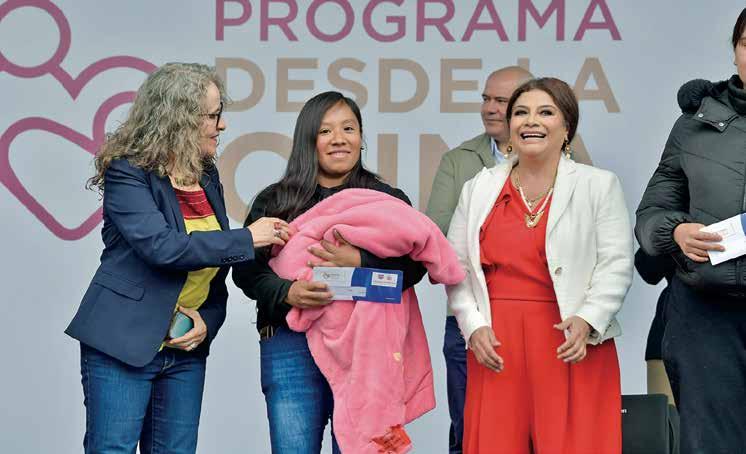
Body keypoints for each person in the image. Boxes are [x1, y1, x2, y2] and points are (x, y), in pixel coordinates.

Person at [65, 63, 291, 454]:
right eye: (213, 115)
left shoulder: (206, 175)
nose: (222, 125)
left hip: (185, 350)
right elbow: (163, 248)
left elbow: (213, 271)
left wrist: (209, 320)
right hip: (124, 343)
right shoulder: (128, 173)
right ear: (179, 119)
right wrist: (247, 237)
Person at [232, 91, 426, 453]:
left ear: (361, 137)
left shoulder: (387, 199)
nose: (339, 139)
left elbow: (414, 267)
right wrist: (287, 292)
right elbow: (245, 270)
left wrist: (361, 261)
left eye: (349, 129)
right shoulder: (276, 200)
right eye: (326, 131)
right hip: (290, 341)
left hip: (366, 347)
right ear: (308, 141)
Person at [446, 77, 633, 454]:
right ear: (510, 127)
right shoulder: (478, 187)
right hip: (496, 345)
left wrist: (588, 319)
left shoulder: (599, 185)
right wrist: (473, 326)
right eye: (521, 113)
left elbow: (616, 264)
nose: (531, 121)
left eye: (545, 112)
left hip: (573, 340)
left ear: (567, 128)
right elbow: (456, 268)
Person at [425, 66, 591, 454]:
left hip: (554, 325)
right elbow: (441, 238)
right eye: (486, 99)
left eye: (501, 101)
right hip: (476, 322)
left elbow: (589, 246)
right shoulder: (460, 161)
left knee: (553, 437)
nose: (490, 108)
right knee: (473, 434)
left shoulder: (579, 171)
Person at [635, 8, 746, 452]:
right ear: (734, 50)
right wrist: (677, 232)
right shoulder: (694, 124)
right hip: (706, 314)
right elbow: (652, 212)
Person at [634, 249, 676, 404]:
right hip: (671, 330)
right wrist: (672, 237)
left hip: (732, 327)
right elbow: (648, 270)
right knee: (666, 415)